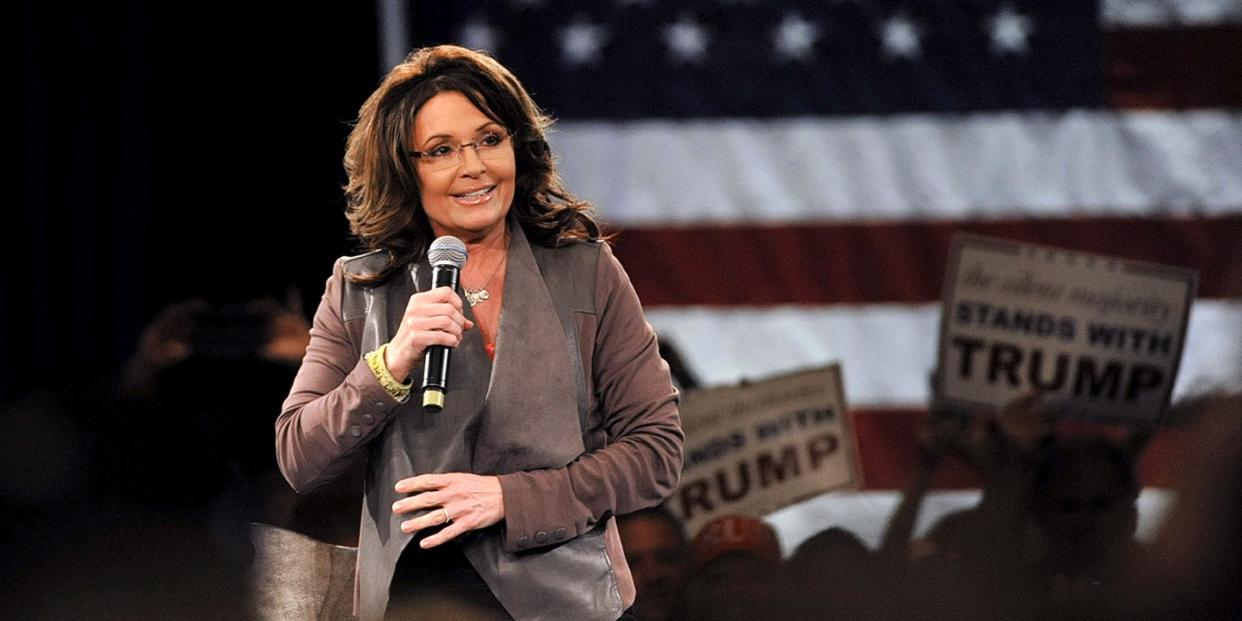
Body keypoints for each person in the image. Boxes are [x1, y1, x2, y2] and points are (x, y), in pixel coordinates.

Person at [274, 45, 683, 621]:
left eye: (490, 139)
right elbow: (299, 457)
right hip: (414, 601)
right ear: (404, 168)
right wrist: (387, 367)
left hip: (566, 600)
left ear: (518, 145)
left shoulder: (586, 272)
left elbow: (655, 451)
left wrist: (511, 499)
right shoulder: (358, 289)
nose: (475, 167)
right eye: (441, 151)